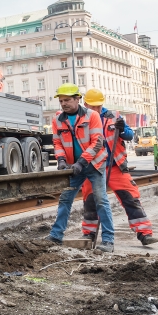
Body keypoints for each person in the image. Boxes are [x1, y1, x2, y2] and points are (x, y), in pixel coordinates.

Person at [79, 89, 158, 246]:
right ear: (85, 104)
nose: (95, 109)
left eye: (98, 106)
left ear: (102, 104)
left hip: (114, 166)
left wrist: (122, 128)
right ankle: (89, 234)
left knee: (130, 198)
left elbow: (129, 135)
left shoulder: (113, 117)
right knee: (90, 201)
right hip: (92, 166)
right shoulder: (81, 120)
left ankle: (144, 233)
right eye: (92, 106)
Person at [49, 83, 116, 253]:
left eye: (67, 100)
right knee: (65, 199)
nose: (64, 103)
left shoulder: (91, 115)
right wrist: (61, 160)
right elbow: (57, 142)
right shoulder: (57, 119)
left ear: (77, 99)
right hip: (73, 167)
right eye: (61, 101)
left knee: (101, 200)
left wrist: (82, 162)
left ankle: (108, 240)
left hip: (94, 164)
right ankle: (56, 235)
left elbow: (97, 142)